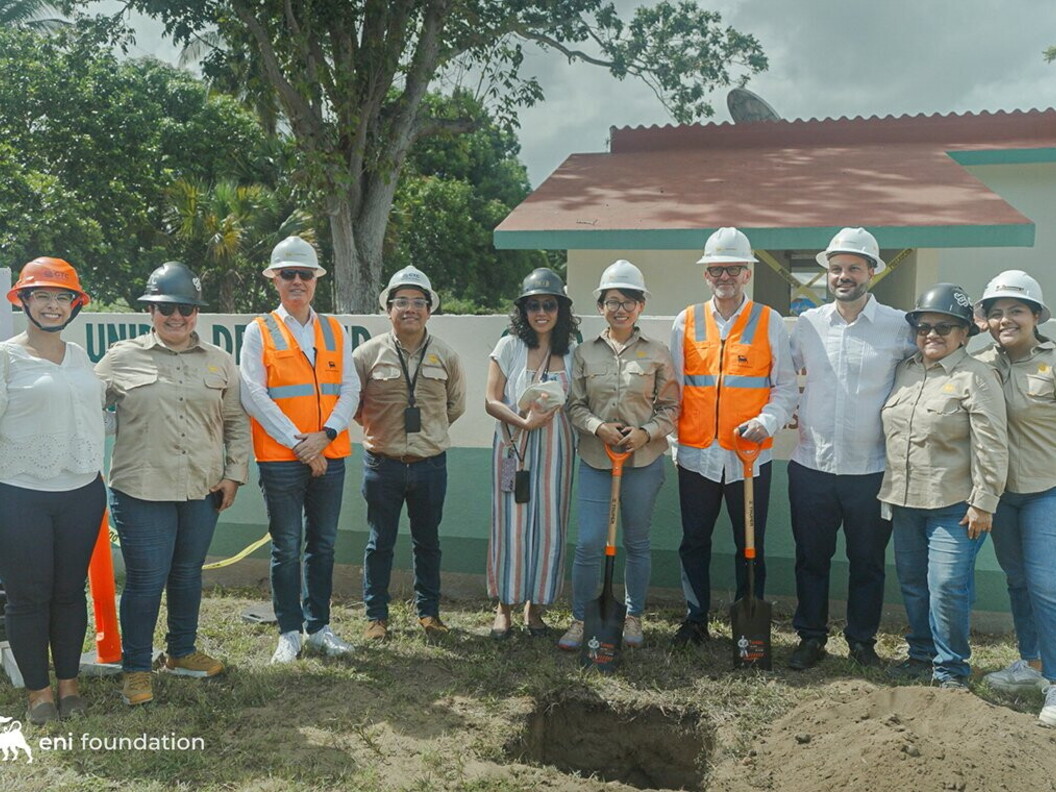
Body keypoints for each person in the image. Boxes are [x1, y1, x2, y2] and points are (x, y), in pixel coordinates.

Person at [96, 262, 250, 706]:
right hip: (141, 490)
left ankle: (181, 651)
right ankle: (137, 668)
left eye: (185, 307)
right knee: (146, 580)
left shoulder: (219, 361)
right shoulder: (120, 357)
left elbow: (237, 422)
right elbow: (82, 407)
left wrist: (234, 474)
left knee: (186, 574)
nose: (176, 316)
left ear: (196, 312)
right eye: (166, 308)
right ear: (150, 309)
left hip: (202, 488)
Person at [786, 228, 916, 670]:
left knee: (867, 562)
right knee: (811, 558)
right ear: (828, 273)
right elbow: (786, 380)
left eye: (854, 268)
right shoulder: (807, 324)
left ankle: (862, 641)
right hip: (811, 465)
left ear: (872, 273)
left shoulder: (898, 326)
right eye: (836, 268)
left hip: (872, 469)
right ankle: (810, 637)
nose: (844, 276)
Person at [670, 228, 798, 647]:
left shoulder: (769, 320)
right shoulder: (686, 321)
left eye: (734, 269)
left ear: (748, 273)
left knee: (750, 544)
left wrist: (768, 421)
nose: (724, 276)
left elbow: (784, 387)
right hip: (696, 456)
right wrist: (676, 444)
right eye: (716, 269)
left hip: (749, 457)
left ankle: (749, 619)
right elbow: (674, 389)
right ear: (706, 274)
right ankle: (695, 618)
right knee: (694, 541)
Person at [879, 283, 1007, 688]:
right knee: (913, 583)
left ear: (964, 333)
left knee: (947, 585)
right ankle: (921, 655)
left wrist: (984, 502)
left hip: (955, 503)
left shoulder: (976, 376)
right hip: (904, 499)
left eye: (944, 327)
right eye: (923, 326)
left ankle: (951, 668)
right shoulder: (906, 369)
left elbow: (992, 443)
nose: (931, 334)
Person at [240, 236, 360, 663]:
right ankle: (288, 631)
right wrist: (300, 444)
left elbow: (351, 388)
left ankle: (319, 627)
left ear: (315, 281)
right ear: (274, 279)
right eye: (287, 274)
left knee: (323, 544)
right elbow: (254, 394)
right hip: (281, 459)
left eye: (304, 275)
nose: (296, 281)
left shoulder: (333, 329)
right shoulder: (260, 331)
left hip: (330, 451)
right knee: (286, 546)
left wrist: (324, 436)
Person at [0, 258, 106, 724]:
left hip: (82, 489)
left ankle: (69, 685)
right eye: (41, 295)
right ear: (23, 299)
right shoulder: (6, 358)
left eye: (62, 297)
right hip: (20, 492)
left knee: (69, 592)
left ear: (74, 305)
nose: (52, 305)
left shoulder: (82, 358)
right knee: (28, 595)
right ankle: (38, 693)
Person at [559, 260, 679, 650]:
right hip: (597, 460)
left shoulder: (657, 353)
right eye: (613, 301)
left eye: (629, 301)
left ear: (641, 306)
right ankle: (581, 618)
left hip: (643, 463)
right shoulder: (584, 353)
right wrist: (599, 428)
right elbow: (574, 405)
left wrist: (646, 434)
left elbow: (671, 408)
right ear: (600, 307)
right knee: (590, 542)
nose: (620, 309)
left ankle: (633, 615)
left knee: (638, 542)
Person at [354, 266, 466, 641]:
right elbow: (352, 405)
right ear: (388, 308)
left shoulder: (447, 355)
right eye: (401, 301)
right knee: (378, 542)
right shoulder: (367, 355)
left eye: (418, 302)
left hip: (430, 465)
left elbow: (455, 406)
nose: (410, 309)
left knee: (428, 542)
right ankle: (376, 617)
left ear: (429, 310)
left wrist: (428, 435)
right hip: (382, 465)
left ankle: (429, 613)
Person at [974, 270, 1056, 725]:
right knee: (1018, 580)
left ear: (1037, 316)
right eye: (995, 312)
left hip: (1047, 489)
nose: (1005, 319)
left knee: (1047, 586)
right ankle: (1032, 663)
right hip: (1002, 493)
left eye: (1016, 311)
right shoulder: (980, 362)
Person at [484, 268, 578, 639]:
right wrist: (523, 423)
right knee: (510, 526)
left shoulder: (571, 351)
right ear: (522, 310)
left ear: (561, 309)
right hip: (512, 449)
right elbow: (491, 400)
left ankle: (534, 608)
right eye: (533, 304)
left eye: (549, 304)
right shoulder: (508, 345)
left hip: (558, 451)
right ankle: (503, 607)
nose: (541, 312)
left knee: (550, 527)